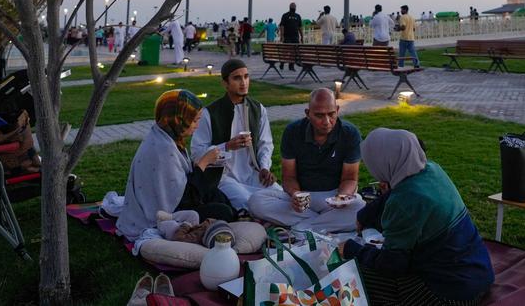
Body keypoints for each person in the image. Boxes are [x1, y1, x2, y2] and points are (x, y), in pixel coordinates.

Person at [341, 128, 494, 306]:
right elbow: (394, 193)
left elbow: (392, 265)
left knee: (356, 276)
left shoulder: (404, 201)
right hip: (480, 274)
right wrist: (365, 214)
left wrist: (353, 250)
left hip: (451, 293)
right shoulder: (432, 170)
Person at [117, 90, 236, 242]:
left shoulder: (165, 136)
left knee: (215, 194)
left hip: (178, 201)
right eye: (194, 120)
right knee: (222, 211)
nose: (197, 126)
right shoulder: (164, 148)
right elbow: (184, 198)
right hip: (166, 213)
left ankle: (237, 215)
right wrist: (203, 162)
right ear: (178, 119)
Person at [247, 89, 363, 232]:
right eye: (319, 116)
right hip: (302, 197)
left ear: (337, 110)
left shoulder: (349, 133)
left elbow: (350, 178)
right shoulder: (293, 131)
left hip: (333, 195)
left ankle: (304, 227)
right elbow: (289, 177)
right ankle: (323, 223)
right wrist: (295, 195)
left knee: (359, 207)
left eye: (331, 114)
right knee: (256, 201)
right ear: (308, 114)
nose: (327, 122)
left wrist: (343, 197)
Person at [190, 59, 275, 210]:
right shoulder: (209, 113)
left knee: (280, 196)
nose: (243, 82)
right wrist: (227, 146)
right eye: (237, 78)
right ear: (225, 83)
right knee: (249, 204)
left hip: (253, 174)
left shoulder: (257, 109)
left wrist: (264, 167)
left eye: (246, 76)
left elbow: (265, 143)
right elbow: (197, 154)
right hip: (223, 177)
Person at [396, 5, 420, 69]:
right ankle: (416, 63)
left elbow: (403, 27)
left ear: (405, 10)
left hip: (404, 38)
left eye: (402, 10)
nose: (401, 11)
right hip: (411, 38)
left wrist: (397, 29)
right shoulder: (412, 18)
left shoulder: (403, 17)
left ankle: (400, 65)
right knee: (413, 52)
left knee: (402, 53)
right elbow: (414, 29)